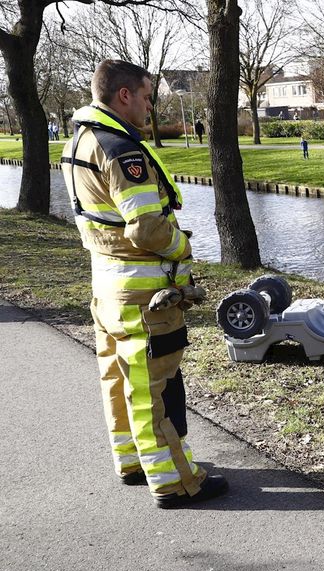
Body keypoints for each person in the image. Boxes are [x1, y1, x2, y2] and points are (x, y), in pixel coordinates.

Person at [60, 59, 226, 508]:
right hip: (143, 296)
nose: (151, 107)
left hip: (108, 287)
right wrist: (181, 250)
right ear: (125, 95)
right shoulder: (122, 150)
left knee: (117, 378)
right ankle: (175, 480)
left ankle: (132, 460)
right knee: (152, 386)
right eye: (148, 97)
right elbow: (146, 229)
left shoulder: (80, 138)